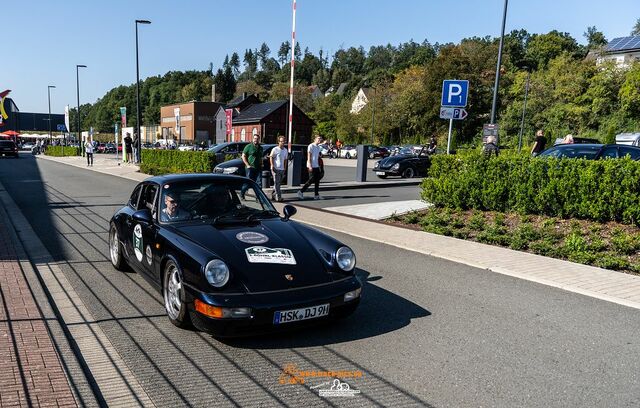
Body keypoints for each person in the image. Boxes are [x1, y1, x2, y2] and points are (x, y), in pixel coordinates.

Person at [298, 134, 324, 200]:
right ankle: (301, 192)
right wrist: (309, 165)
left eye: (320, 138)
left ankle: (316, 195)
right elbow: (309, 156)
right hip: (311, 166)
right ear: (314, 139)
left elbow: (317, 157)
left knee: (317, 181)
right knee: (310, 180)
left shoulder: (318, 147)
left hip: (316, 166)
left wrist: (319, 165)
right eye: (318, 138)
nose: (319, 140)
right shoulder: (311, 146)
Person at [240, 134, 264, 199]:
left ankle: (258, 197)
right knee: (248, 183)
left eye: (257, 139)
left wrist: (262, 163)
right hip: (250, 168)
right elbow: (243, 156)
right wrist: (247, 165)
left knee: (259, 183)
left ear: (259, 139)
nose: (256, 140)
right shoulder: (248, 146)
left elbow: (261, 157)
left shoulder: (260, 148)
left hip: (258, 168)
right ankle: (242, 194)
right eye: (255, 138)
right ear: (253, 139)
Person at [269, 135, 288, 202]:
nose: (283, 142)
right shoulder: (275, 149)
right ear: (278, 142)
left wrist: (285, 168)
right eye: (281, 141)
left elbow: (285, 159)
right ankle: (278, 197)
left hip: (282, 169)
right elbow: (271, 157)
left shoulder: (285, 150)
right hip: (275, 168)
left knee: (278, 183)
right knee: (277, 183)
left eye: (284, 141)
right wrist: (272, 165)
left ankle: (272, 195)